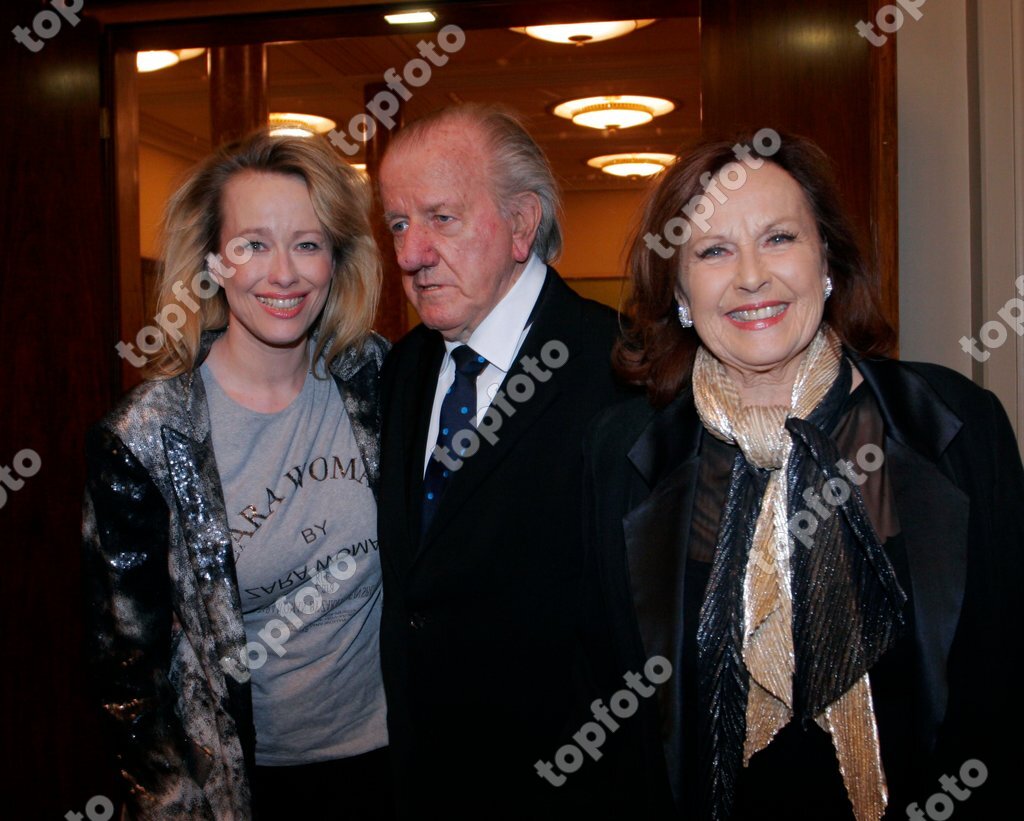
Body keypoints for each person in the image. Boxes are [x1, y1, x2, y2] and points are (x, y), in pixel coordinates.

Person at [584, 132, 1024, 820]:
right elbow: (619, 730)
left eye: (779, 237)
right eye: (714, 250)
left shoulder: (957, 428)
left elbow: (1006, 685)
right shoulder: (625, 456)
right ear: (677, 289)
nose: (751, 276)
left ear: (827, 261)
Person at [82, 129, 392, 820]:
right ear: (213, 262)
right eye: (253, 243)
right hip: (247, 787)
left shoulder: (379, 381)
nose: (283, 273)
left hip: (396, 763)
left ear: (336, 259)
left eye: (308, 244)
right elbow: (129, 671)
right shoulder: (145, 438)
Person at [375, 103, 627, 817]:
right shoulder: (401, 371)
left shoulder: (622, 375)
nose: (411, 254)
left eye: (441, 218)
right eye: (398, 223)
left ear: (522, 225)